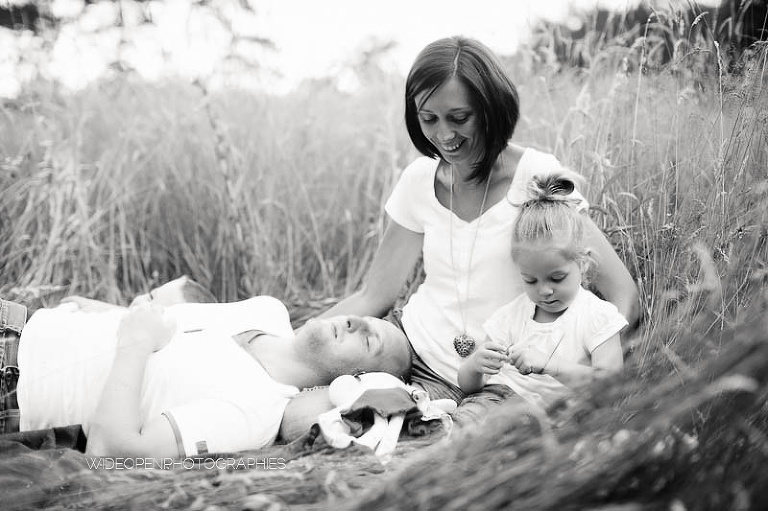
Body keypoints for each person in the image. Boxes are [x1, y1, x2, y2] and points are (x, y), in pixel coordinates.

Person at [317, 36, 639, 407]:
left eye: (459, 118)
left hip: (504, 379)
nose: (443, 135)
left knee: (448, 448)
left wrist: (574, 374)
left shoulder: (536, 176)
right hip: (414, 344)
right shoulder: (420, 180)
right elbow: (373, 295)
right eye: (428, 118)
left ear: (490, 108)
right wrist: (293, 339)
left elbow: (623, 295)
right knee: (313, 369)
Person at [0, 284, 412, 459]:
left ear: (350, 380)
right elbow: (167, 327)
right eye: (366, 320)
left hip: (13, 384)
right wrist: (109, 314)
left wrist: (134, 342)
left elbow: (114, 451)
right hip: (18, 319)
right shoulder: (267, 310)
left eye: (369, 340)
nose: (358, 322)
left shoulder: (254, 414)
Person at [457, 173, 627, 409]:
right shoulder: (511, 316)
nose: (544, 291)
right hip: (498, 399)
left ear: (583, 263)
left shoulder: (598, 317)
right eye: (530, 280)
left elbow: (611, 385)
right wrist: (475, 365)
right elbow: (468, 388)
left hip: (561, 410)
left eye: (557, 278)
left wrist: (551, 364)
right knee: (470, 420)